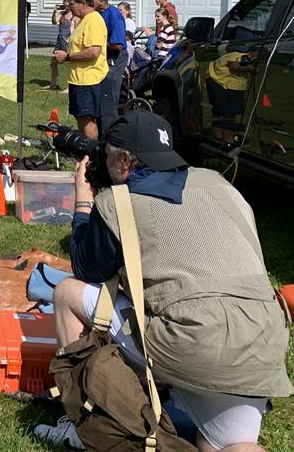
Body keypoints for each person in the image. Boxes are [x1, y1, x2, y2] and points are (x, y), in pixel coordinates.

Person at [36, 110, 291, 452]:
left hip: (189, 341)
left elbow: (86, 267)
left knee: (67, 293)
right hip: (260, 342)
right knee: (226, 444)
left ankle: (83, 425)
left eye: (106, 154)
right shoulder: (221, 185)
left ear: (123, 160)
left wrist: (84, 200)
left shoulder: (119, 203)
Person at [52, 0, 107, 140]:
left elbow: (94, 52)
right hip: (79, 79)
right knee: (80, 117)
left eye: (71, 4)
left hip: (88, 79)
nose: (69, 8)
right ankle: (84, 149)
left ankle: (90, 151)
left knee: (86, 119)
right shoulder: (83, 20)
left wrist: (67, 57)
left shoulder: (94, 21)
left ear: (83, 3)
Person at [92, 0, 127, 131]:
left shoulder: (114, 14)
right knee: (100, 95)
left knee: (109, 95)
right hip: (104, 57)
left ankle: (109, 133)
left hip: (114, 57)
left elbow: (117, 45)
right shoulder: (98, 14)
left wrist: (96, 42)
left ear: (101, 0)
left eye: (92, 0)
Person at [49, 0, 74, 91]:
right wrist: (54, 11)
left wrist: (69, 39)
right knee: (53, 62)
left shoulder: (74, 15)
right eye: (65, 5)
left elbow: (75, 29)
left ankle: (69, 87)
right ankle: (53, 84)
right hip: (59, 40)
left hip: (67, 41)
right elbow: (54, 22)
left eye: (68, 5)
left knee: (68, 64)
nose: (67, 7)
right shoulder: (62, 14)